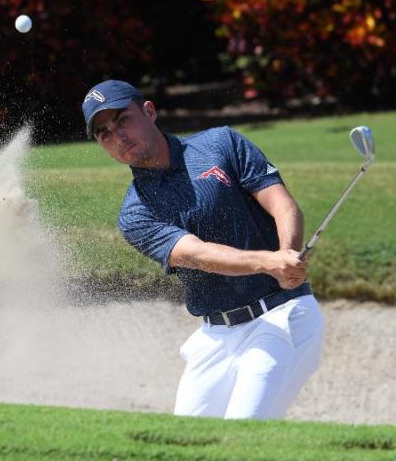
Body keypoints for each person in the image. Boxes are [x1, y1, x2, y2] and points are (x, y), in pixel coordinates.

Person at [81, 79, 325, 419]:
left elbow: (282, 205)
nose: (118, 136)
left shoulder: (221, 143)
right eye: (104, 133)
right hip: (216, 336)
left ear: (149, 111)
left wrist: (287, 255)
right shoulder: (136, 213)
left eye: (123, 120)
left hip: (281, 316)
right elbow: (196, 254)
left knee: (242, 439)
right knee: (188, 445)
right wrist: (269, 261)